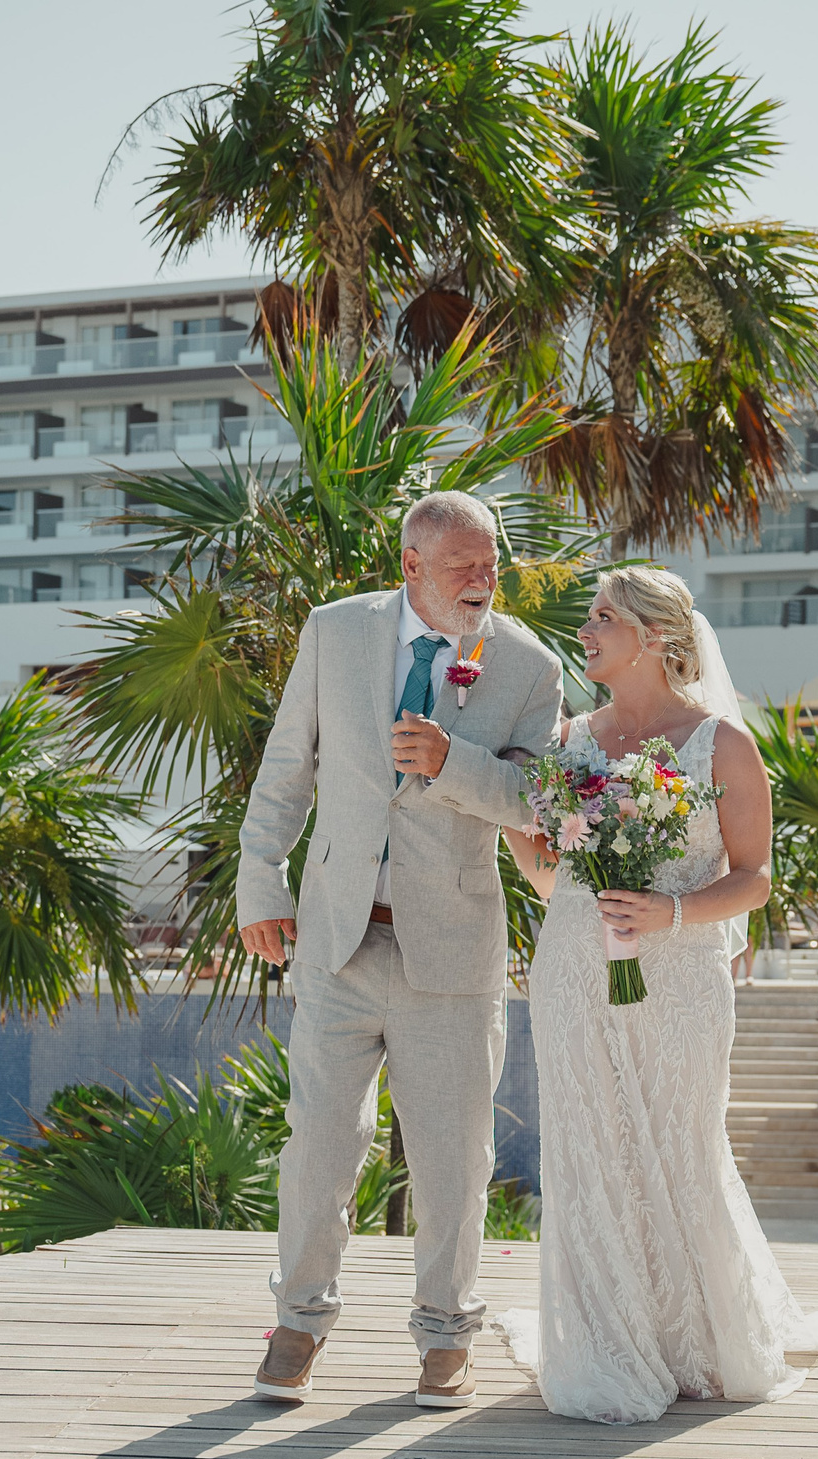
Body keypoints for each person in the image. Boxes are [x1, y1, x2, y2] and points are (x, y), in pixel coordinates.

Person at [499, 567, 818, 1425]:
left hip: (679, 976)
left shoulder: (722, 746)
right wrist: (499, 816)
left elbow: (754, 878)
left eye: (604, 617)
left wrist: (670, 909)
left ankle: (693, 1338)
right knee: (589, 1144)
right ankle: (605, 1338)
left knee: (678, 1140)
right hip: (570, 967)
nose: (586, 629)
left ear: (658, 637)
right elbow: (544, 870)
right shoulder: (568, 740)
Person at [235, 490, 563, 1408]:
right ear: (411, 564)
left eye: (490, 562)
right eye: (463, 565)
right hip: (337, 941)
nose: (483, 579)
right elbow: (285, 767)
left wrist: (450, 762)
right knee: (319, 1150)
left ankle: (447, 1334)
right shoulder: (335, 633)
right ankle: (298, 1323)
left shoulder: (530, 665)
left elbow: (540, 800)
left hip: (453, 953)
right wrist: (260, 885)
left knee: (455, 1159)